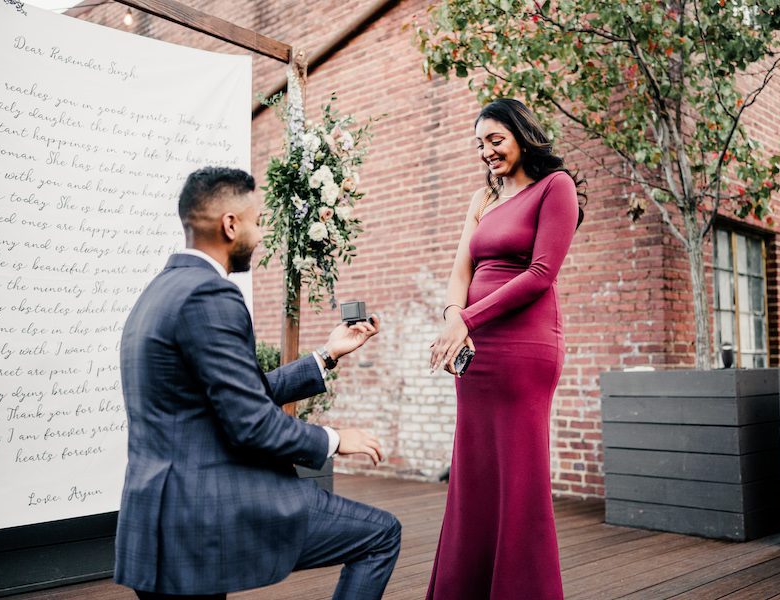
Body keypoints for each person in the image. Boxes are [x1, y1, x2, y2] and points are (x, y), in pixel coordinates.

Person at [115, 167, 401, 600]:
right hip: (206, 509)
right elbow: (251, 423)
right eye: (257, 220)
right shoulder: (211, 295)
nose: (261, 232)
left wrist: (326, 355)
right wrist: (336, 437)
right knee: (381, 534)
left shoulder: (160, 292)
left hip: (157, 514)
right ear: (231, 225)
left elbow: (230, 393)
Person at [426, 99, 582, 600]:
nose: (487, 151)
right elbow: (460, 272)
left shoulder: (556, 187)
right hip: (474, 349)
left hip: (525, 349)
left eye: (495, 139)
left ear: (521, 135)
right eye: (480, 143)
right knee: (473, 476)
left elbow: (541, 275)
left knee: (519, 481)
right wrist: (454, 318)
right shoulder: (482, 198)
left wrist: (466, 319)